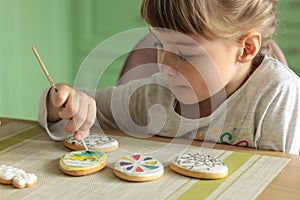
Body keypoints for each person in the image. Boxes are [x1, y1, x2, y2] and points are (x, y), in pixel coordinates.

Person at [38, 0, 300, 155]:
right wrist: (62, 103)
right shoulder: (154, 96)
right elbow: (76, 118)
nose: (164, 67)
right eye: (160, 46)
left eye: (185, 55)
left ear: (246, 48)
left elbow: (277, 182)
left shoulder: (276, 96)